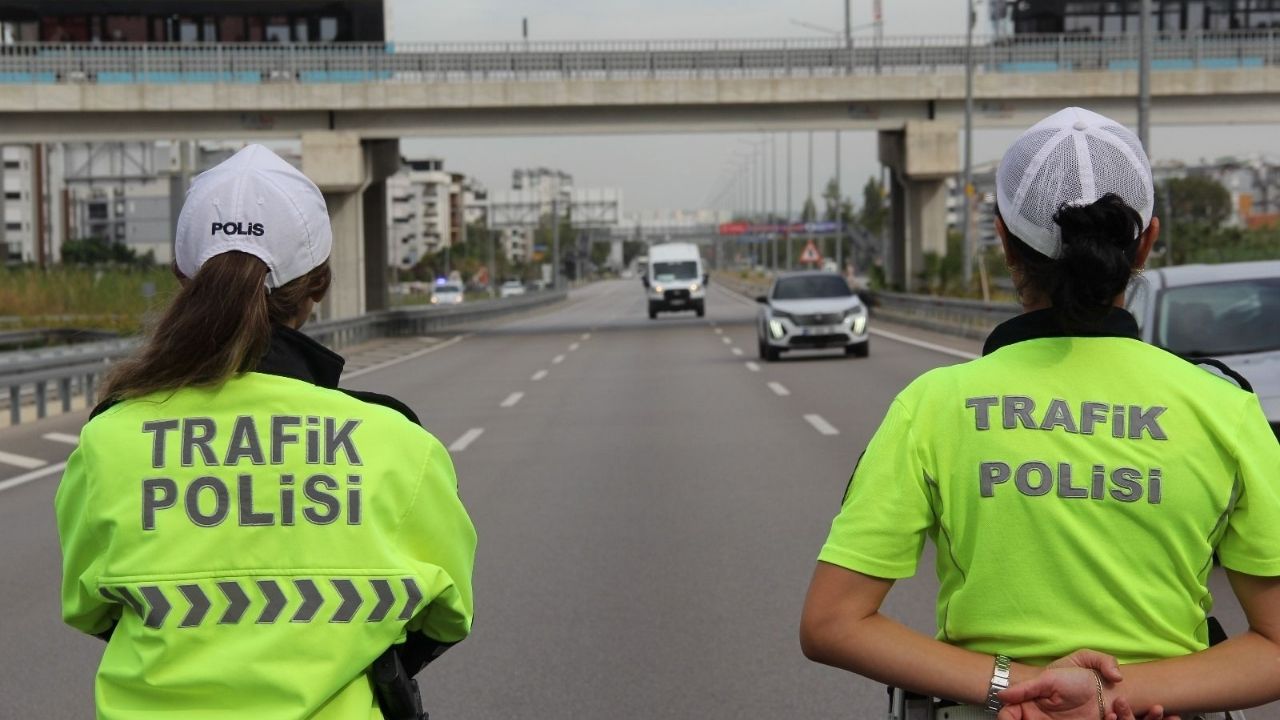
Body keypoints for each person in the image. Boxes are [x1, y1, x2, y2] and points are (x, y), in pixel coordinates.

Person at [799, 107, 1280, 719]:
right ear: (1147, 242)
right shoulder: (1225, 411)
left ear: (1002, 240)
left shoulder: (933, 406)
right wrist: (1112, 697)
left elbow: (832, 622)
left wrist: (1015, 684)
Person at [55, 145, 477, 719]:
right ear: (318, 285)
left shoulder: (111, 440)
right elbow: (448, 613)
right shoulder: (396, 442)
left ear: (183, 278)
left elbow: (92, 606)